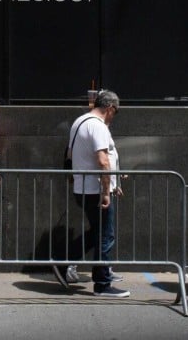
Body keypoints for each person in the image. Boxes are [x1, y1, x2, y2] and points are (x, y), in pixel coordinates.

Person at [52, 89, 129, 298]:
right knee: (106, 235)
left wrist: (113, 184)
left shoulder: (80, 121)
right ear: (110, 108)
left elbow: (71, 153)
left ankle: (70, 264)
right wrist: (106, 191)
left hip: (84, 187)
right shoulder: (98, 126)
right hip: (95, 190)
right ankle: (102, 284)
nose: (114, 116)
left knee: (98, 233)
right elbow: (103, 161)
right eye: (116, 112)